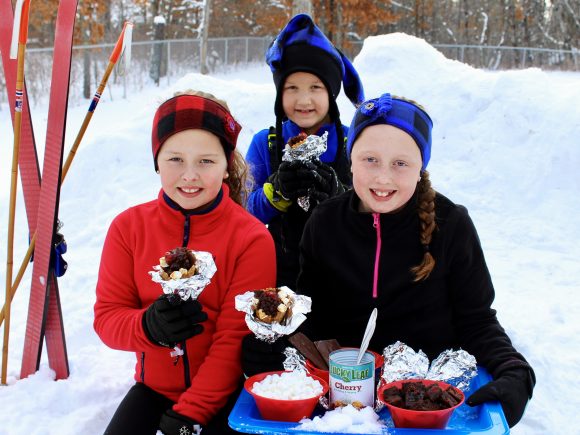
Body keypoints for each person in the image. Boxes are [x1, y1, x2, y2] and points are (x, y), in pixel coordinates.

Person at [244, 93, 535, 428]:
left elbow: (477, 319)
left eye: (400, 163)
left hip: (425, 404)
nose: (383, 178)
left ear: (420, 167)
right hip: (345, 406)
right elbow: (312, 316)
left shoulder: (451, 224)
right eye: (370, 159)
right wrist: (272, 347)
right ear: (350, 159)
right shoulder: (324, 223)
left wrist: (514, 371)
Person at [94, 90, 276, 435]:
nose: (189, 175)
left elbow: (233, 337)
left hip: (225, 395)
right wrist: (148, 326)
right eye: (175, 159)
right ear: (157, 162)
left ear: (226, 166)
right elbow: (107, 318)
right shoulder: (128, 229)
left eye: (206, 161)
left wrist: (191, 413)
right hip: (153, 390)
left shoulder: (250, 238)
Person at [245, 13, 365, 288]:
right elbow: (242, 213)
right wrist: (275, 192)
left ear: (331, 92)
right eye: (292, 88)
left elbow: (376, 212)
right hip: (278, 278)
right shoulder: (266, 143)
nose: (304, 99)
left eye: (315, 87)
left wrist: (340, 197)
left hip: (344, 276)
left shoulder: (354, 141)